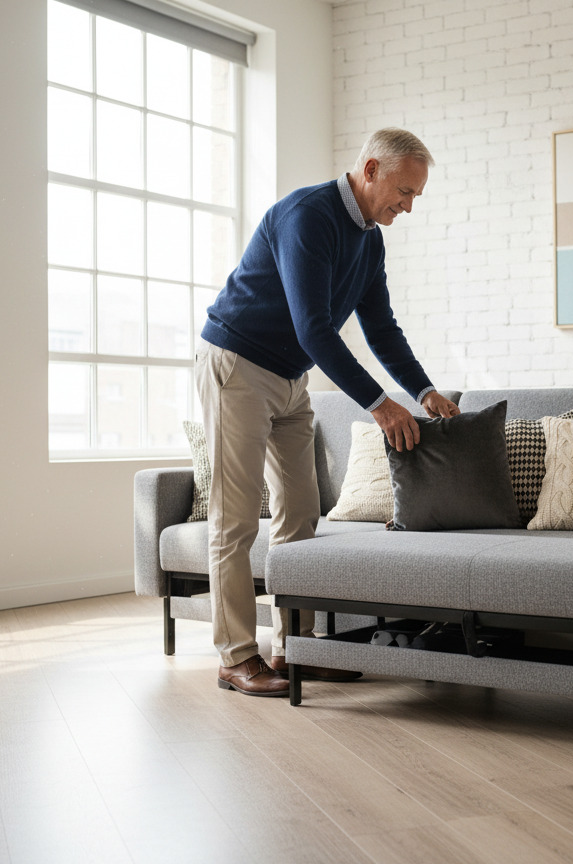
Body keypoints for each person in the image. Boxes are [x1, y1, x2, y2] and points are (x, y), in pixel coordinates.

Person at [195, 128, 459, 696]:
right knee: (236, 519)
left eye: (416, 196)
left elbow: (381, 328)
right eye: (403, 191)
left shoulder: (369, 241)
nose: (408, 206)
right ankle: (236, 656)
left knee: (300, 514)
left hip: (291, 379)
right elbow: (313, 328)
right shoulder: (307, 216)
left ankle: (296, 649)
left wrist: (422, 390)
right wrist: (379, 405)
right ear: (370, 170)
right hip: (238, 366)